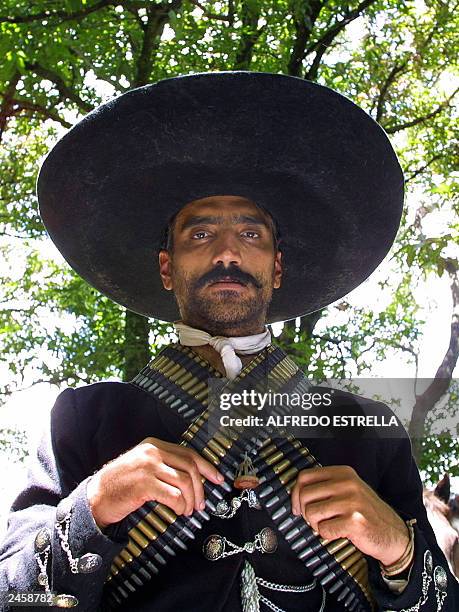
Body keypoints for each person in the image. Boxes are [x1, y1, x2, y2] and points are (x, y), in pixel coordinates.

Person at [0, 71, 457, 612]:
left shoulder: (366, 428)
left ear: (277, 266)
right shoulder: (83, 418)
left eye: (249, 234)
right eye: (200, 234)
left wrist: (399, 550)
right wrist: (95, 504)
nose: (227, 254)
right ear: (167, 268)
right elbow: (14, 597)